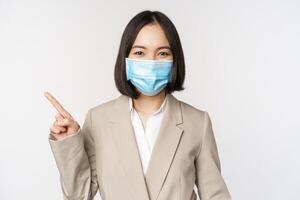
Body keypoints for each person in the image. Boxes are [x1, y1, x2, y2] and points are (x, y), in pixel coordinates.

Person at [45, 10, 231, 200]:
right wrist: (69, 143)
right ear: (125, 58)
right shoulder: (98, 119)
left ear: (175, 60)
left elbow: (216, 196)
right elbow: (79, 195)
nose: (151, 62)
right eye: (140, 52)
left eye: (163, 53)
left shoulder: (198, 123)